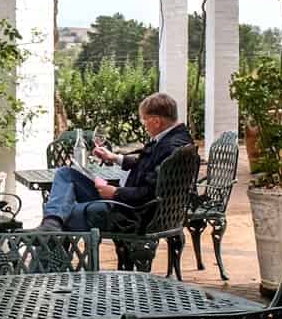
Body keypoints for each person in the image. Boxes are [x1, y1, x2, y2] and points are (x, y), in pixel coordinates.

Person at [38, 92, 193, 232]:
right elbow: (148, 166)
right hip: (138, 206)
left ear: (156, 121)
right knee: (66, 174)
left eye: (144, 120)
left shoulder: (169, 147)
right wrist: (114, 158)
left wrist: (115, 192)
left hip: (131, 214)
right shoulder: (177, 140)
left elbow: (150, 192)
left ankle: (49, 250)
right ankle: (51, 225)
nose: (144, 125)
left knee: (60, 213)